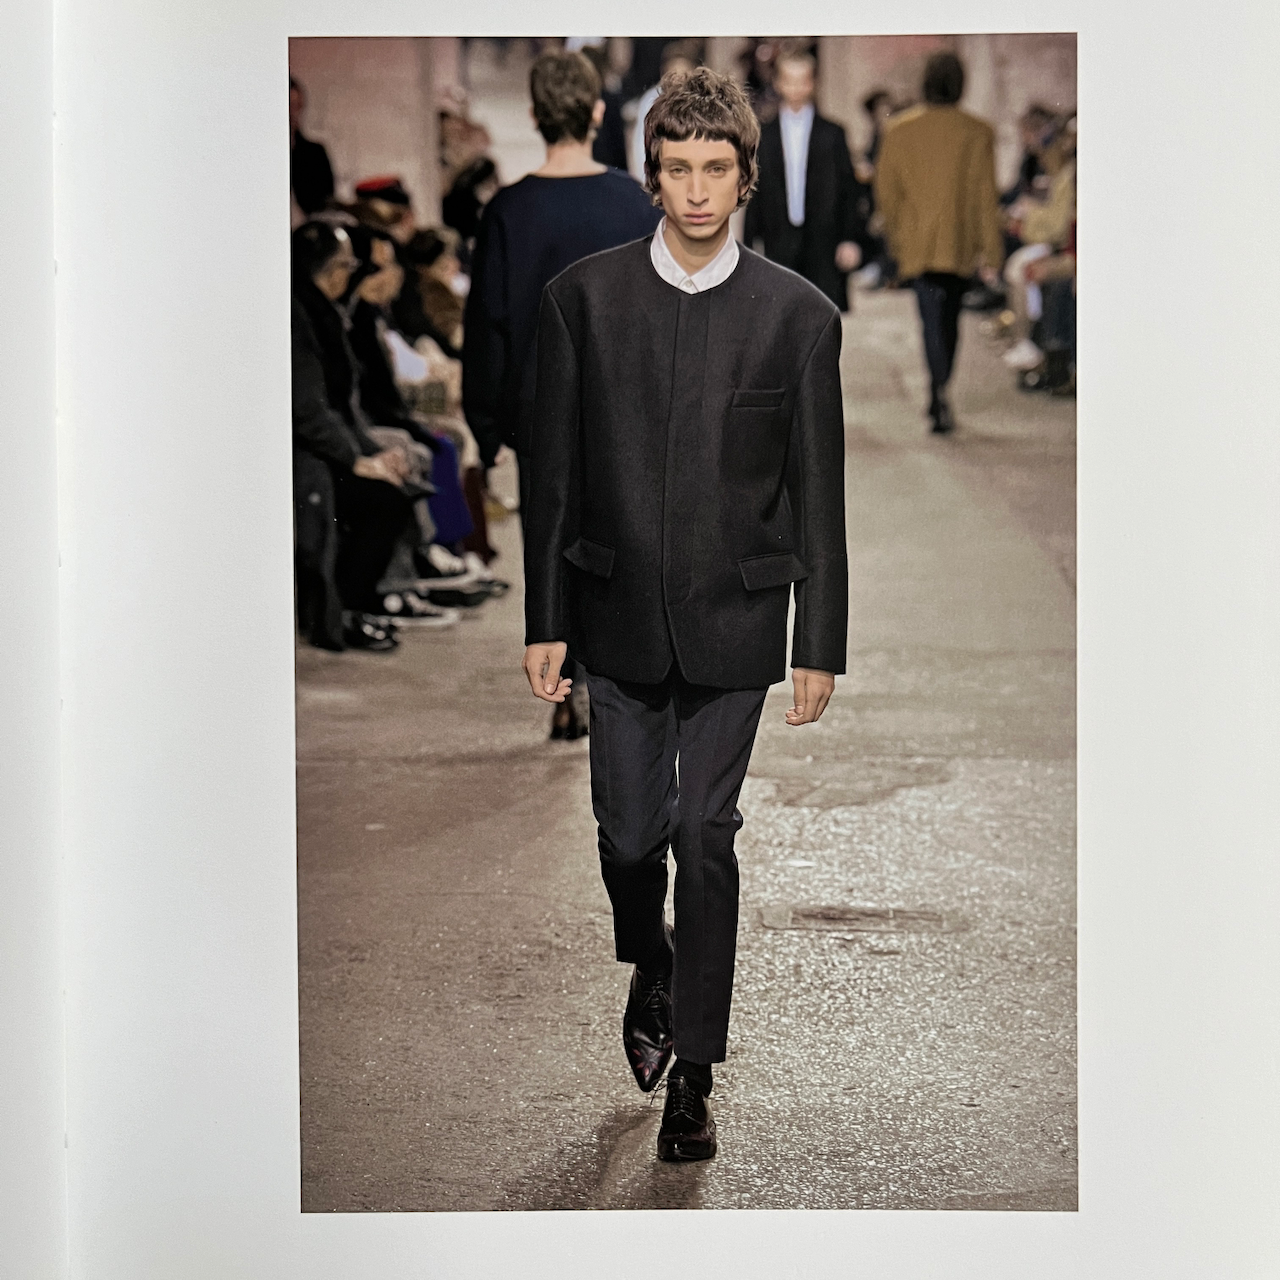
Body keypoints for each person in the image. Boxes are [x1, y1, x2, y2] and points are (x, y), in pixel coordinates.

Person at [521, 67, 848, 1162]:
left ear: (745, 178)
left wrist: (819, 638)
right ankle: (651, 957)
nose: (697, 190)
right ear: (651, 177)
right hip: (612, 612)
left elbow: (817, 493)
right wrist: (545, 617)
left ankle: (694, 1076)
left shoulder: (798, 318)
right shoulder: (583, 300)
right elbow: (555, 478)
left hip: (735, 623)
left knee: (704, 835)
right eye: (677, 169)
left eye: (715, 169)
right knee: (628, 838)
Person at [463, 47, 661, 738]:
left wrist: (486, 424)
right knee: (621, 542)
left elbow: (488, 325)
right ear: (598, 113)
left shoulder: (507, 210)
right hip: (623, 407)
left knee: (550, 544)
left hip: (537, 406)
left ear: (533, 115)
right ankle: (618, 680)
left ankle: (564, 681)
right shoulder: (636, 203)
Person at [291, 221, 415, 651]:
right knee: (383, 502)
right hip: (307, 456)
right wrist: (358, 459)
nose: (352, 273)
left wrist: (371, 452)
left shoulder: (324, 312)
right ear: (329, 270)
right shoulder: (304, 316)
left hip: (324, 444)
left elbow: (340, 405)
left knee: (396, 482)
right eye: (348, 265)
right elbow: (308, 409)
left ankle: (363, 601)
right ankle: (344, 612)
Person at [874, 51, 1004, 434]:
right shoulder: (978, 132)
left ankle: (937, 389)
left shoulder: (899, 130)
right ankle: (941, 387)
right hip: (959, 242)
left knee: (930, 319)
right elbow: (985, 196)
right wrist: (991, 251)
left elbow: (887, 191)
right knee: (950, 321)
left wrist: (896, 234)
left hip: (917, 242)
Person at [743, 48, 866, 312]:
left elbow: (848, 190)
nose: (796, 88)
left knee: (821, 316)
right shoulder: (763, 135)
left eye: (803, 80)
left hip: (823, 242)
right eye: (789, 80)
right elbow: (754, 192)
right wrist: (749, 245)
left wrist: (850, 239)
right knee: (780, 315)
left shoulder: (833, 134)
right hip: (778, 240)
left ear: (813, 83)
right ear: (778, 83)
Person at [290, 77, 335, 220]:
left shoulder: (315, 154)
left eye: (296, 106)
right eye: (288, 106)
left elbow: (327, 202)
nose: (292, 114)